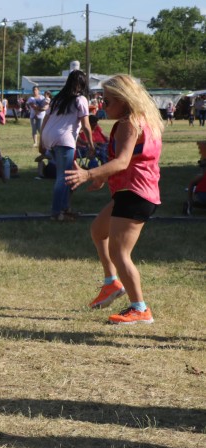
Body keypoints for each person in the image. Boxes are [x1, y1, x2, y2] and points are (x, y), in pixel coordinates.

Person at [65, 74, 164, 325]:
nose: (101, 106)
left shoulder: (129, 124)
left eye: (106, 101)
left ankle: (140, 308)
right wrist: (102, 178)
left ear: (123, 100)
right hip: (134, 191)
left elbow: (122, 161)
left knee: (120, 253)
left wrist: (89, 173)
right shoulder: (144, 120)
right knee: (98, 231)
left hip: (135, 194)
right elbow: (131, 162)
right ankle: (111, 283)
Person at [38, 69, 94, 222]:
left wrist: (42, 140)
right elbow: (86, 126)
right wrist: (91, 145)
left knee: (68, 175)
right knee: (62, 177)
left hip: (50, 136)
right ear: (82, 84)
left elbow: (45, 120)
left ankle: (65, 208)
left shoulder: (57, 99)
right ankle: (56, 213)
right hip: (64, 139)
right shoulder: (80, 100)